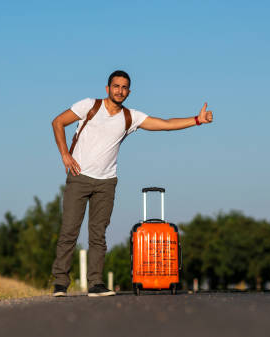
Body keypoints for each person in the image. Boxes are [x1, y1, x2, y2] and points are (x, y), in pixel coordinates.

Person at [50, 70, 213, 297]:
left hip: (107, 182)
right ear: (108, 89)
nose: (120, 91)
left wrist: (197, 120)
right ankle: (60, 283)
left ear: (129, 91)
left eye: (124, 87)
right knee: (69, 231)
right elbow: (58, 122)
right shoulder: (89, 106)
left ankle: (95, 283)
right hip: (79, 177)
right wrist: (65, 154)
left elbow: (165, 124)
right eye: (116, 86)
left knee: (98, 234)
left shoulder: (130, 117)